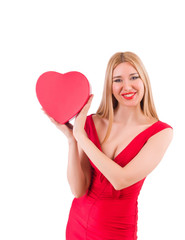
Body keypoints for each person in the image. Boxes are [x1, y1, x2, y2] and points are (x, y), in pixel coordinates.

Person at [45, 52, 173, 239]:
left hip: (117, 231)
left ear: (144, 80)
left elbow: (121, 180)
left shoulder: (161, 133)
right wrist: (73, 140)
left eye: (134, 77)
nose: (126, 86)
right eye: (118, 80)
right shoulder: (91, 124)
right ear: (109, 86)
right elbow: (78, 190)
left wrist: (82, 137)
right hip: (77, 226)